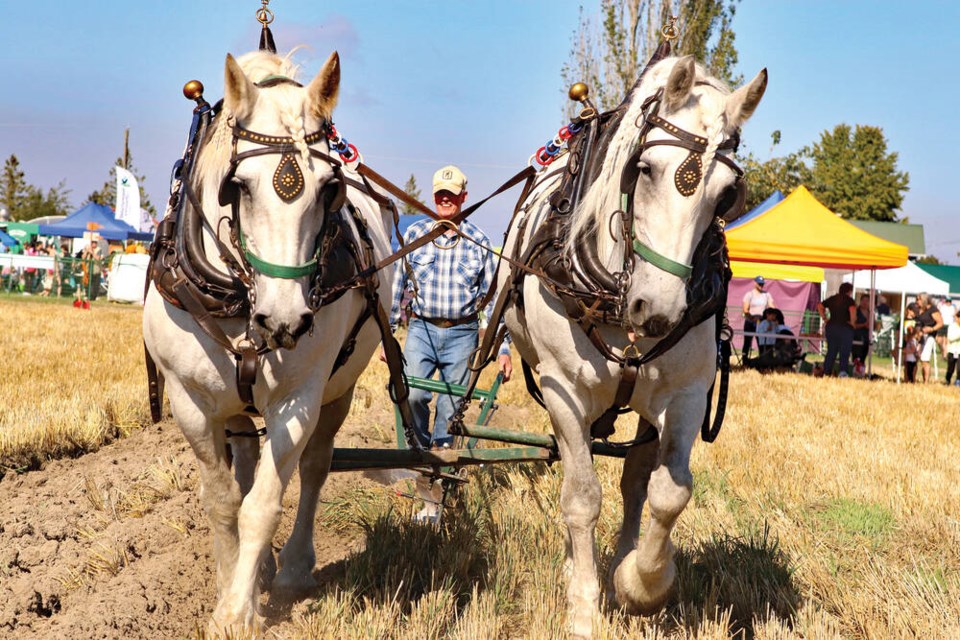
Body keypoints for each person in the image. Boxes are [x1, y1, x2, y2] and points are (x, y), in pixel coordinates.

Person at [387, 166, 513, 523]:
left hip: (462, 334)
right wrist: (389, 334)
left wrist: (503, 349)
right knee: (411, 396)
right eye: (440, 193)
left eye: (451, 194)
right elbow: (398, 288)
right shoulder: (416, 234)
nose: (444, 199)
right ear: (434, 196)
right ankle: (423, 462)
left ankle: (434, 499)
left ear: (463, 198)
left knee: (450, 412)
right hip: (422, 331)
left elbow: (492, 301)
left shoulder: (479, 242)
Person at [817, 282, 856, 377]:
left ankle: (826, 371)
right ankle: (842, 372)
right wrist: (852, 323)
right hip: (845, 328)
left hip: (831, 326)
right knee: (844, 351)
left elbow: (820, 306)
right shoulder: (850, 300)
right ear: (849, 291)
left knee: (831, 350)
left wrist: (825, 318)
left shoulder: (832, 298)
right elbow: (852, 311)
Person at [741, 276, 775, 360]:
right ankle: (744, 361)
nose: (761, 285)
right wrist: (752, 318)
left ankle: (762, 361)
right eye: (759, 283)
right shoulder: (749, 294)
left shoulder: (767, 295)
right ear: (755, 283)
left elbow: (772, 307)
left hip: (761, 322)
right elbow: (745, 310)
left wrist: (773, 315)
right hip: (750, 321)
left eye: (762, 284)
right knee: (747, 343)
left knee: (761, 343)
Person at [915, 292, 943, 383]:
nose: (916, 301)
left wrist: (932, 329)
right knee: (919, 357)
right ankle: (921, 379)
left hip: (930, 335)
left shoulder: (932, 309)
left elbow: (940, 323)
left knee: (925, 358)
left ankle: (926, 381)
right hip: (920, 335)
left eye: (918, 299)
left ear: (923, 300)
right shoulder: (919, 310)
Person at [945, 313, 960, 385]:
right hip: (952, 350)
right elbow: (950, 337)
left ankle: (958, 381)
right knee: (951, 368)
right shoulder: (952, 326)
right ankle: (947, 380)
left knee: (959, 369)